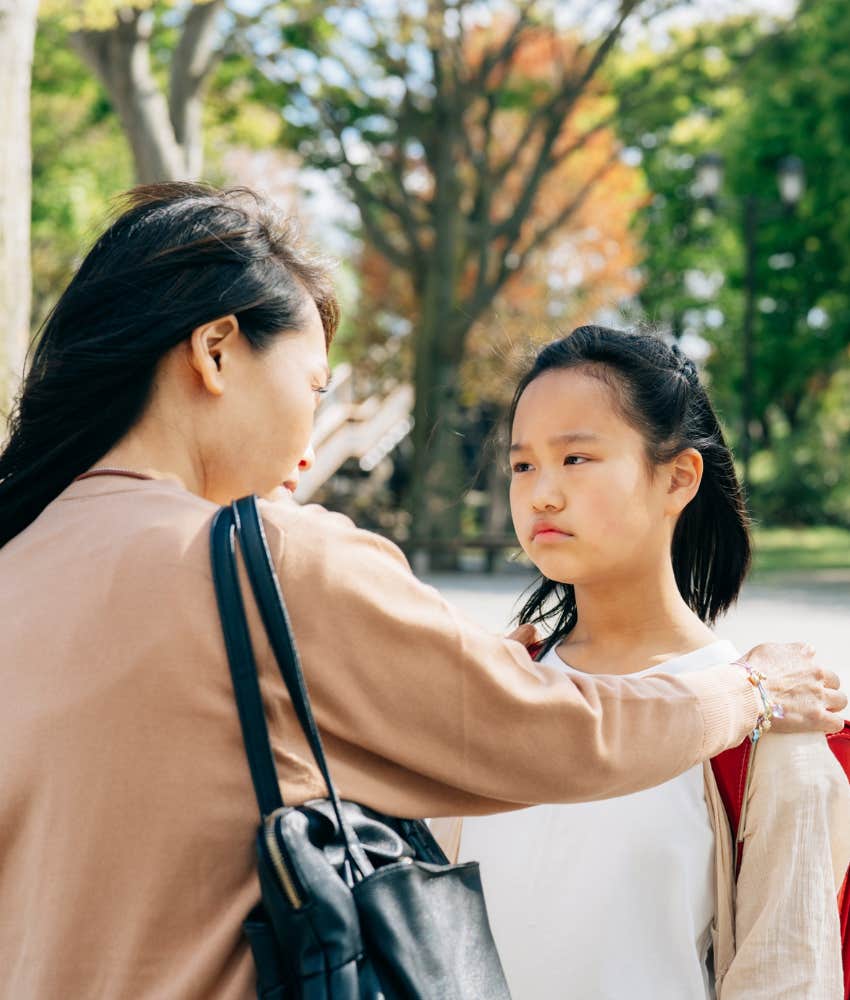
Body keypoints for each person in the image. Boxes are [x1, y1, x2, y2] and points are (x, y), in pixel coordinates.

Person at [0, 185, 844, 1000]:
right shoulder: (267, 558)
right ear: (216, 351)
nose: (307, 439)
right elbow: (561, 739)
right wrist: (752, 691)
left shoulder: (21, 564)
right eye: (315, 386)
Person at [455, 326, 850, 999]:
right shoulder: (497, 690)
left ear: (679, 477)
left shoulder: (775, 726)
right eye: (523, 465)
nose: (542, 493)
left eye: (575, 458)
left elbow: (788, 975)